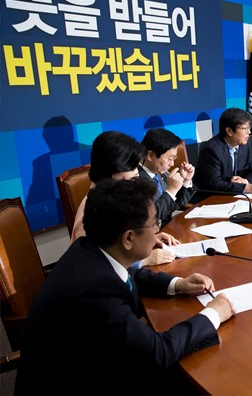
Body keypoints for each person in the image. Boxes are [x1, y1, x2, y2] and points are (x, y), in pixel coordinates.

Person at [16, 178, 235, 395]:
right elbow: (157, 353)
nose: (158, 228)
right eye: (154, 223)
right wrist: (213, 314)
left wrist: (177, 284)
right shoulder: (95, 291)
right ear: (128, 238)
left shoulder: (89, 248)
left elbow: (129, 275)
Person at [72, 131, 177, 267]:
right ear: (114, 170)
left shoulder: (113, 198)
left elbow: (114, 245)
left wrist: (144, 240)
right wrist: (144, 260)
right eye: (132, 168)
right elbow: (94, 264)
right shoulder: (91, 212)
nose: (137, 174)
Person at [193, 108, 252, 195]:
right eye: (245, 128)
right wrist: (247, 188)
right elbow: (214, 183)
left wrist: (246, 181)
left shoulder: (246, 143)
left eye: (249, 127)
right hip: (211, 197)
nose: (249, 132)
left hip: (236, 195)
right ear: (229, 131)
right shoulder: (211, 149)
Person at [139, 128, 195, 227]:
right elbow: (150, 219)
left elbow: (176, 204)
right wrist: (171, 191)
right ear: (150, 155)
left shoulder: (160, 172)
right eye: (169, 159)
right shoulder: (136, 179)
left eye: (174, 158)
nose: (172, 164)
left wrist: (186, 181)